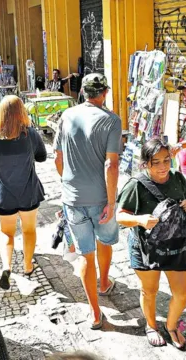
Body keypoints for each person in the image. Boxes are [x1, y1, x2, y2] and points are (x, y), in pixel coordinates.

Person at [53, 73, 121, 330]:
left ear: (82, 92)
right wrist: (112, 202)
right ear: (104, 93)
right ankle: (104, 283)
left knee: (84, 255)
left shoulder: (67, 115)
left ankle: (95, 313)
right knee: (104, 241)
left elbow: (58, 159)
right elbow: (111, 164)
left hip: (73, 198)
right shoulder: (111, 121)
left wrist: (69, 184)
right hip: (101, 198)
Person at [116, 138, 186, 349]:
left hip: (176, 245)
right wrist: (140, 219)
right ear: (145, 163)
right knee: (149, 290)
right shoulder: (136, 185)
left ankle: (171, 326)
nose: (162, 167)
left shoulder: (178, 179)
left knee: (182, 292)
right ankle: (151, 326)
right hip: (145, 247)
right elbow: (120, 216)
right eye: (156, 162)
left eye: (166, 160)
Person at [0, 95, 47, 290]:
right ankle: (28, 266)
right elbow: (42, 156)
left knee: (6, 232)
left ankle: (7, 266)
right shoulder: (30, 134)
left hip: (4, 194)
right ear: (22, 112)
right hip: (28, 191)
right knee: (29, 230)